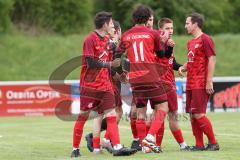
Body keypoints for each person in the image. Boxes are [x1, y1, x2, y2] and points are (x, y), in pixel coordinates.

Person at [71, 11, 137, 157]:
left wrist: (120, 75)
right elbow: (89, 62)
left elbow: (112, 64)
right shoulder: (90, 39)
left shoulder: (108, 41)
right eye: (111, 23)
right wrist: (109, 64)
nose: (113, 26)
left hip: (105, 85)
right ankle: (75, 148)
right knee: (83, 115)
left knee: (112, 114)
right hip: (89, 86)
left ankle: (117, 147)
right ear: (105, 24)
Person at [118, 5, 172, 153]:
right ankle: (149, 137)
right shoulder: (152, 33)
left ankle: (143, 147)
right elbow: (161, 55)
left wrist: (121, 73)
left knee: (140, 113)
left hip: (135, 78)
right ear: (147, 18)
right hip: (150, 76)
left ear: (134, 18)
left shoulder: (126, 35)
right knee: (163, 107)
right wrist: (163, 41)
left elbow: (116, 56)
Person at [178, 12, 219, 151]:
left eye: (187, 23)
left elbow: (212, 59)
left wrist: (209, 81)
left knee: (199, 114)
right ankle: (199, 145)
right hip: (190, 83)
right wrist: (184, 67)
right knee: (192, 115)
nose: (185, 26)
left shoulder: (205, 39)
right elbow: (193, 60)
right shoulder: (191, 42)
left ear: (195, 24)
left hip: (200, 83)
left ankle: (213, 143)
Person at [85, 20, 125, 153]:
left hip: (102, 83)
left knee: (101, 114)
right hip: (108, 84)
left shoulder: (106, 43)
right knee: (116, 113)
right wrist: (120, 74)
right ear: (117, 31)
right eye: (116, 29)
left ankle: (97, 143)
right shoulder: (112, 44)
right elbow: (111, 65)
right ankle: (107, 141)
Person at [154, 17, 190, 151]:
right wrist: (169, 46)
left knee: (170, 115)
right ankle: (158, 145)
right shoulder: (157, 44)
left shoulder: (169, 44)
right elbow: (163, 56)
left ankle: (179, 144)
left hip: (170, 85)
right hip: (161, 85)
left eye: (172, 28)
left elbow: (171, 63)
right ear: (160, 30)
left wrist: (181, 67)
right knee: (162, 115)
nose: (170, 31)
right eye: (167, 28)